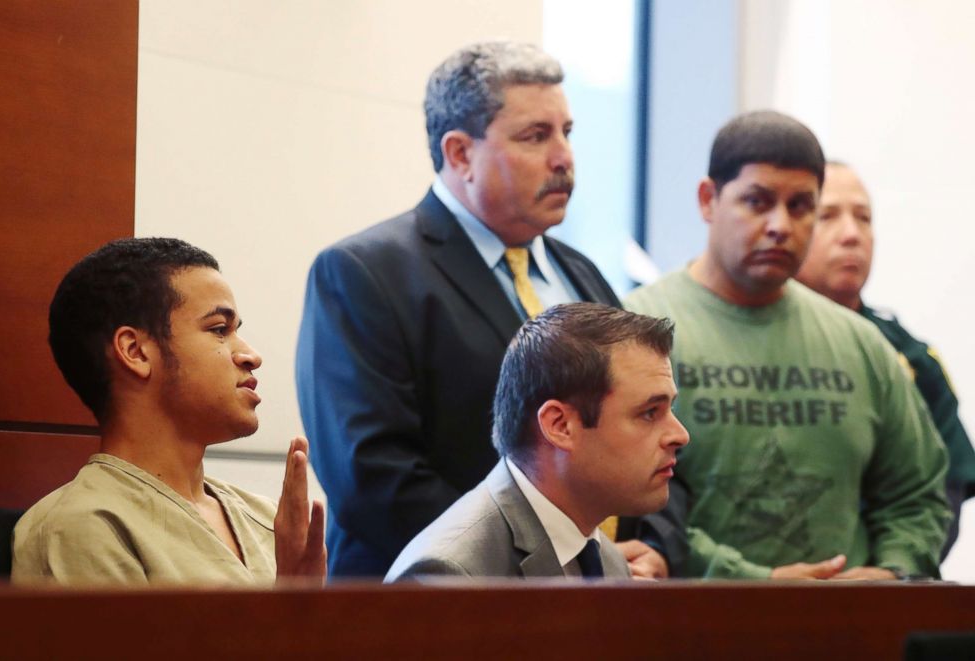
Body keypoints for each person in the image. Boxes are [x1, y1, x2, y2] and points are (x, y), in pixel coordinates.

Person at [296, 41, 685, 579]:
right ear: (459, 154)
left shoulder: (584, 275)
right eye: (535, 136)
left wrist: (651, 549)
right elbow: (373, 477)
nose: (563, 157)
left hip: (599, 585)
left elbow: (649, 422)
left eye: (566, 133)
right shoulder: (365, 271)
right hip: (431, 601)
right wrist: (554, 556)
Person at [623, 111, 951, 579]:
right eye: (757, 202)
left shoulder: (860, 342)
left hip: (848, 633)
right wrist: (757, 584)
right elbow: (618, 498)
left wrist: (893, 574)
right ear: (707, 200)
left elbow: (918, 495)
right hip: (689, 630)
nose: (780, 225)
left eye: (800, 206)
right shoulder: (634, 333)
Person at [12, 238, 325, 584]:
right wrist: (294, 603)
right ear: (136, 352)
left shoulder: (269, 518)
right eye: (220, 329)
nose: (251, 355)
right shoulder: (79, 527)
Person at [385, 303, 689, 580]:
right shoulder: (449, 574)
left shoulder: (605, 557)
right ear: (559, 425)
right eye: (650, 413)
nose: (680, 435)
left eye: (670, 409)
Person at [796, 161, 975, 556]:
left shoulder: (908, 355)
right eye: (827, 216)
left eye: (864, 218)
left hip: (881, 584)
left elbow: (947, 487)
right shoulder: (746, 334)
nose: (851, 235)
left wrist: (894, 569)